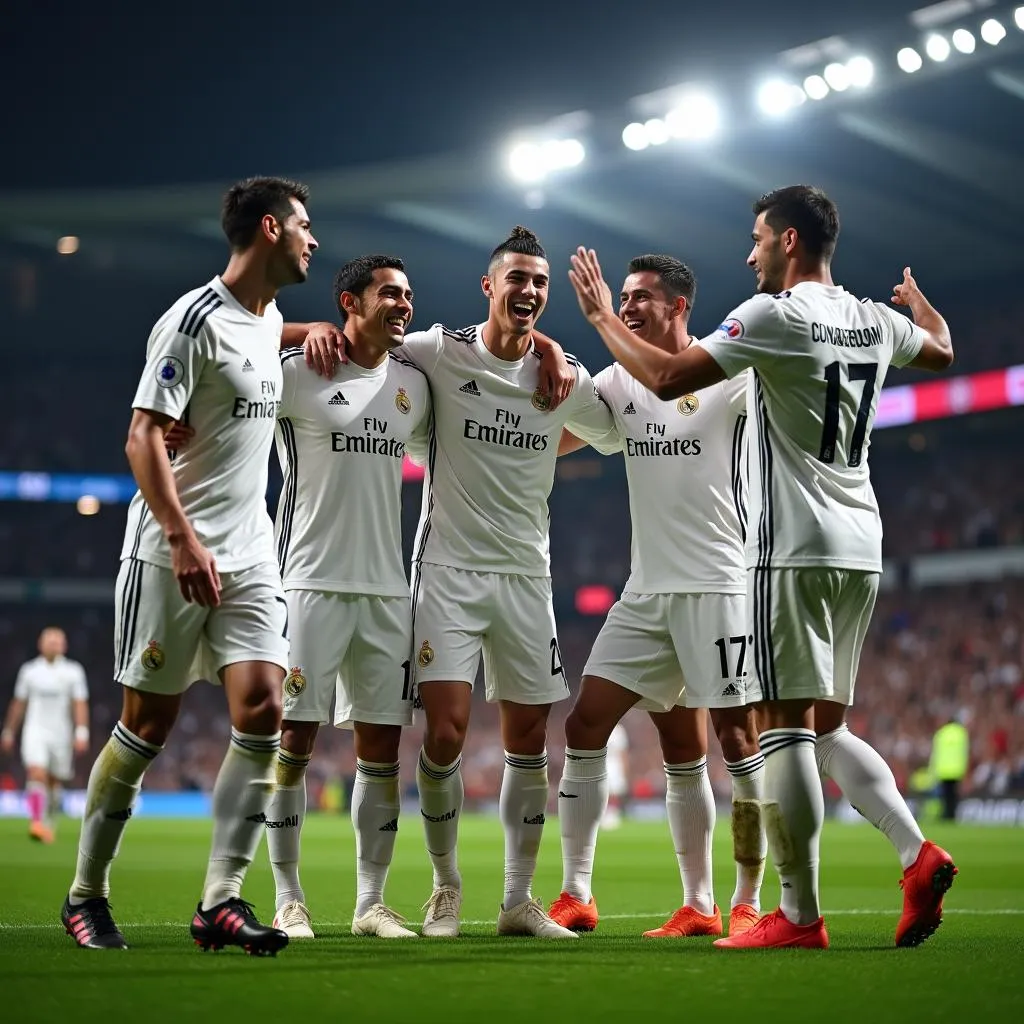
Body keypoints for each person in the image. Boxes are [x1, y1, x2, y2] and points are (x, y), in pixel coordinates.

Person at [567, 184, 957, 950]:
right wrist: (921, 303)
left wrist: (600, 318)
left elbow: (673, 378)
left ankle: (797, 915)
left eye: (755, 240)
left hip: (792, 546)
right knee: (827, 726)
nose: (748, 254)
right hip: (863, 545)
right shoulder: (875, 320)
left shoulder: (773, 317)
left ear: (786, 241)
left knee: (782, 732)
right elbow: (941, 349)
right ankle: (917, 852)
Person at [301, 226, 617, 939]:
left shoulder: (560, 377)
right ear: (489, 286)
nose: (530, 291)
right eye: (518, 279)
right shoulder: (440, 351)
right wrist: (314, 325)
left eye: (539, 282)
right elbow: (366, 340)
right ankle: (445, 888)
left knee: (530, 737)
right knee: (441, 735)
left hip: (526, 576)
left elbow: (614, 433)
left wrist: (550, 408)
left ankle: (516, 901)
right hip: (446, 570)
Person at [60, 176, 317, 955]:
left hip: (250, 554)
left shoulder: (266, 319)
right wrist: (180, 538)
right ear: (270, 229)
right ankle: (86, 894)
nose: (313, 240)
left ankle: (220, 901)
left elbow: (266, 339)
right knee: (148, 725)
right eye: (305, 227)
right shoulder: (191, 319)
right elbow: (143, 436)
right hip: (173, 550)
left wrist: (315, 333)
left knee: (266, 710)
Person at [547, 255, 765, 940]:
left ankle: (746, 901)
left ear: (678, 304)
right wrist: (553, 353)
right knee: (586, 727)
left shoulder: (729, 373)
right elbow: (560, 435)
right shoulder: (617, 380)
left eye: (641, 297)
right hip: (647, 590)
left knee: (731, 740)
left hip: (717, 585)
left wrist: (598, 315)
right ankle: (584, 894)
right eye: (625, 298)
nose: (629, 305)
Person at [2, 627, 90, 843]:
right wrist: (9, 730)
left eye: (58, 641)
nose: (54, 644)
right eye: (50, 641)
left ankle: (49, 821)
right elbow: (19, 704)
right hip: (35, 731)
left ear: (65, 645)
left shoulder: (73, 671)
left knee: (54, 781)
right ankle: (36, 822)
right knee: (36, 773)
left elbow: (79, 703)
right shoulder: (29, 671)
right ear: (41, 644)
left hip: (61, 733)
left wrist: (81, 731)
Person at [930, 715, 970, 821]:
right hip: (957, 769)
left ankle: (946, 814)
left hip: (943, 770)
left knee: (945, 795)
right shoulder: (961, 733)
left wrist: (933, 770)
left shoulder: (941, 733)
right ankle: (952, 815)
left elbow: (936, 753)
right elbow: (964, 752)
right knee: (954, 795)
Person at [601, 723, 629, 830]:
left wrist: (625, 771)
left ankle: (613, 815)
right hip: (602, 762)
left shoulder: (619, 730)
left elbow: (623, 753)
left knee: (615, 791)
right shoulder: (601, 727)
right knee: (603, 791)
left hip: (615, 765)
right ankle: (603, 815)